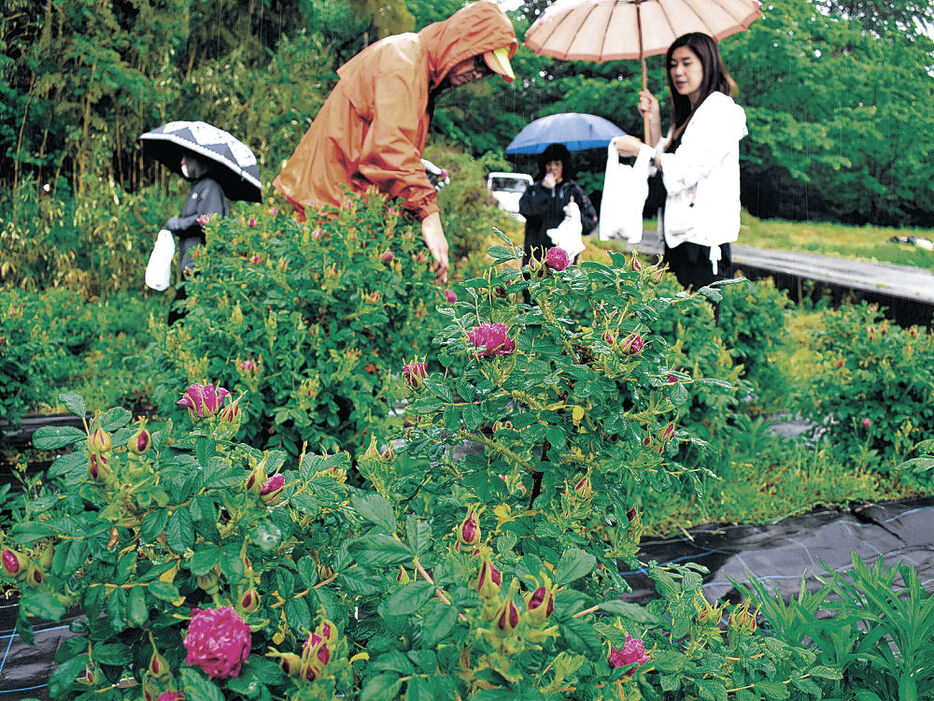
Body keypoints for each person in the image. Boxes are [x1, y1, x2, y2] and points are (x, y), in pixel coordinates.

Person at [273, 1, 518, 283]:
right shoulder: (403, 60)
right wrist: (429, 212)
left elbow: (383, 140)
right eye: (479, 62)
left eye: (487, 72)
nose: (477, 75)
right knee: (323, 306)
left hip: (341, 206)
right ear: (459, 42)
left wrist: (417, 169)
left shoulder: (417, 68)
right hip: (328, 206)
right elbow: (388, 147)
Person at [612, 32, 747, 291]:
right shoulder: (688, 116)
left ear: (707, 64)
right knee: (676, 324)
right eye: (673, 64)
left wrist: (641, 149)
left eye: (687, 62)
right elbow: (662, 161)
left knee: (698, 324)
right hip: (679, 240)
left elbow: (684, 170)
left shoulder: (720, 109)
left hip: (703, 245)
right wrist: (653, 120)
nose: (678, 72)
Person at [165, 151, 229, 324]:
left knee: (179, 316)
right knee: (183, 314)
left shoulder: (211, 187)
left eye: (186, 159)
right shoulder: (199, 186)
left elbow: (207, 220)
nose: (182, 162)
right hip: (190, 263)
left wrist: (176, 223)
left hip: (201, 264)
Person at [518, 143, 598, 266]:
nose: (552, 168)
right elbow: (526, 211)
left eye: (557, 164)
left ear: (564, 165)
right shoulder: (534, 189)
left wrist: (576, 215)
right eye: (549, 164)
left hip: (564, 261)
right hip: (536, 258)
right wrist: (544, 190)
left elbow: (590, 223)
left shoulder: (573, 191)